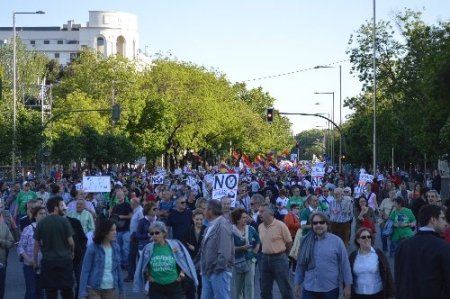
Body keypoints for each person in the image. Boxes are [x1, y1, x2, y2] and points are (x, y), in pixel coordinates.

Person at [395, 204, 450, 299]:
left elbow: (399, 278)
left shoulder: (403, 246)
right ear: (433, 220)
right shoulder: (443, 247)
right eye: (443, 218)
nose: (445, 223)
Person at [294, 212, 352, 299]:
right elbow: (301, 264)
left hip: (330, 290)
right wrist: (297, 283)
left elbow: (345, 265)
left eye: (321, 222)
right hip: (309, 289)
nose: (318, 225)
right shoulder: (305, 241)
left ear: (327, 224)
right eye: (315, 223)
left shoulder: (337, 241)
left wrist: (348, 285)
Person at [134, 221, 198, 299]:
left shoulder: (174, 246)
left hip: (174, 284)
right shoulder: (148, 248)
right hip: (156, 285)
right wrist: (148, 276)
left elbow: (183, 262)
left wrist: (181, 275)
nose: (154, 235)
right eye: (152, 233)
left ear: (164, 233)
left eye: (157, 233)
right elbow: (143, 265)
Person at [33, 196, 75, 299]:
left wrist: (35, 262)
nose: (62, 208)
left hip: (48, 261)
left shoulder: (41, 223)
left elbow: (36, 245)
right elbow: (71, 242)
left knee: (50, 292)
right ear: (55, 207)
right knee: (67, 291)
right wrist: (72, 252)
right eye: (61, 205)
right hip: (64, 260)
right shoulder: (64, 221)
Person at [79, 218, 124, 299]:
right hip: (93, 288)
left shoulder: (116, 248)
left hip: (110, 288)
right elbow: (85, 270)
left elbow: (118, 270)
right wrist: (82, 292)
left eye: (115, 230)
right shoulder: (92, 248)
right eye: (112, 230)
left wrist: (122, 290)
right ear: (104, 232)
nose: (115, 232)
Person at [258, 204, 294, 299]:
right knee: (264, 290)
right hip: (265, 259)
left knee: (285, 288)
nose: (259, 213)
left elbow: (289, 242)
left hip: (279, 259)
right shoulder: (260, 226)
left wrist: (285, 255)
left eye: (262, 211)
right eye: (259, 211)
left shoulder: (280, 225)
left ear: (270, 213)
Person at [200, 199, 234, 299]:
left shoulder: (223, 226)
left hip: (219, 272)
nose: (203, 211)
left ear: (210, 211)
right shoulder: (209, 226)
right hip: (208, 271)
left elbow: (225, 252)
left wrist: (217, 269)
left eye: (205, 209)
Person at [349, 228, 395, 299]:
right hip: (358, 294)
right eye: (363, 237)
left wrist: (391, 295)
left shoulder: (378, 254)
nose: (367, 239)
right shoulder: (353, 256)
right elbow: (348, 275)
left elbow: (388, 273)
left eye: (369, 236)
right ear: (358, 240)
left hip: (377, 294)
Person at [230, 207, 260, 299]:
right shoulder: (230, 231)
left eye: (246, 217)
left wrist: (254, 254)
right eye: (243, 217)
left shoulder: (251, 229)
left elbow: (258, 241)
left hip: (249, 260)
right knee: (236, 287)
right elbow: (228, 248)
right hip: (236, 262)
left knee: (249, 285)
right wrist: (241, 248)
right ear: (237, 219)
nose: (246, 219)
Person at [17, 206, 47, 299]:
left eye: (44, 213)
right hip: (29, 266)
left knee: (41, 292)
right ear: (35, 216)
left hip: (43, 265)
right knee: (31, 291)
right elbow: (20, 247)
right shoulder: (28, 229)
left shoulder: (48, 229)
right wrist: (29, 260)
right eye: (40, 214)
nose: (43, 215)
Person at [182, 209, 206, 299]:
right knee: (190, 286)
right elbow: (184, 246)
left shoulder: (206, 230)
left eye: (201, 219)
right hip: (190, 261)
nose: (199, 221)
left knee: (201, 285)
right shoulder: (187, 231)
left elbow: (207, 248)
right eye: (197, 219)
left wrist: (195, 248)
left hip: (203, 262)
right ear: (193, 219)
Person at [109, 189, 132, 270]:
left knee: (126, 248)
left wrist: (121, 216)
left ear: (124, 196)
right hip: (117, 230)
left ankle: (127, 263)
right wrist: (110, 212)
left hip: (126, 230)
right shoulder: (115, 206)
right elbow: (111, 218)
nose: (119, 196)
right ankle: (121, 263)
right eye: (117, 195)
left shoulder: (127, 205)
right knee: (119, 248)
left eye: (120, 195)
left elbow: (130, 216)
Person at [0, 200, 14, 299]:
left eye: (1, 205)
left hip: (2, 259)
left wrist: (1, 241)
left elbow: (10, 242)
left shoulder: (6, 216)